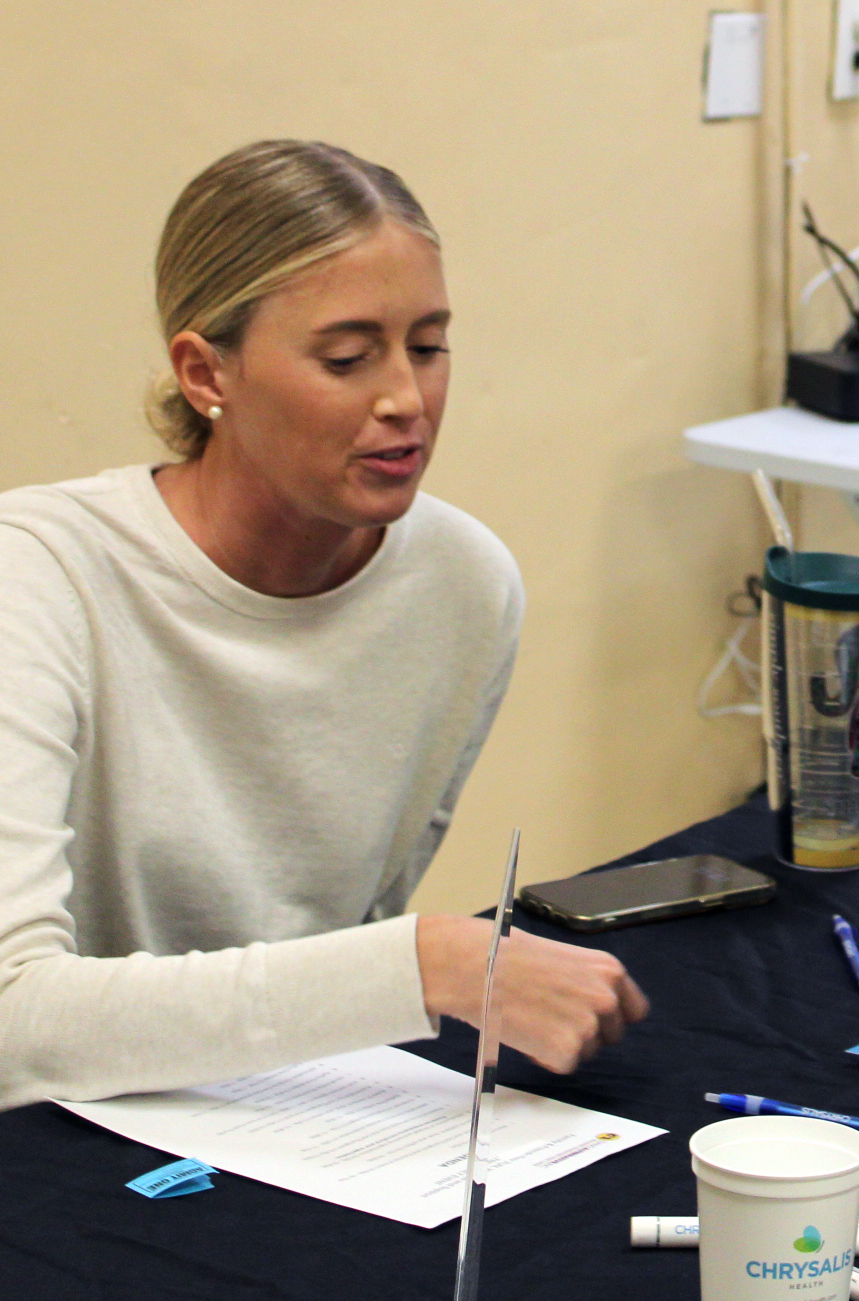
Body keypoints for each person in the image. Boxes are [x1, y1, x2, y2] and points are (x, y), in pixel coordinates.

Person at [0, 139, 647, 1110]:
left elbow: (331, 947)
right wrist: (422, 963)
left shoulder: (463, 586)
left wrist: (395, 972)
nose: (406, 400)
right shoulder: (36, 578)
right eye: (346, 357)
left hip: (284, 1122)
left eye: (427, 347)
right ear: (204, 373)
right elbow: (14, 1017)